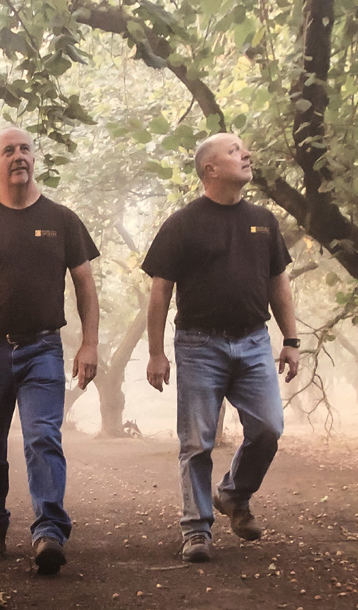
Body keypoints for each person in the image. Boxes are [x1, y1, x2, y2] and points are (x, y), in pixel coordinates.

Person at [0, 126, 100, 575]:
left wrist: (89, 343)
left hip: (43, 348)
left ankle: (49, 532)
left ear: (34, 159)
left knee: (43, 436)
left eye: (26, 149)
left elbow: (84, 284)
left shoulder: (62, 220)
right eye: (9, 150)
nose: (19, 156)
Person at [142, 132, 300, 563]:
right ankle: (196, 530)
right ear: (210, 168)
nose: (246, 154)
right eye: (234, 151)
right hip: (198, 345)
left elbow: (277, 284)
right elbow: (160, 293)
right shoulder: (182, 223)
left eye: (244, 148)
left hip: (252, 341)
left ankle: (232, 494)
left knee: (268, 429)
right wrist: (157, 352)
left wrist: (290, 340)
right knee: (197, 442)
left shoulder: (264, 221)